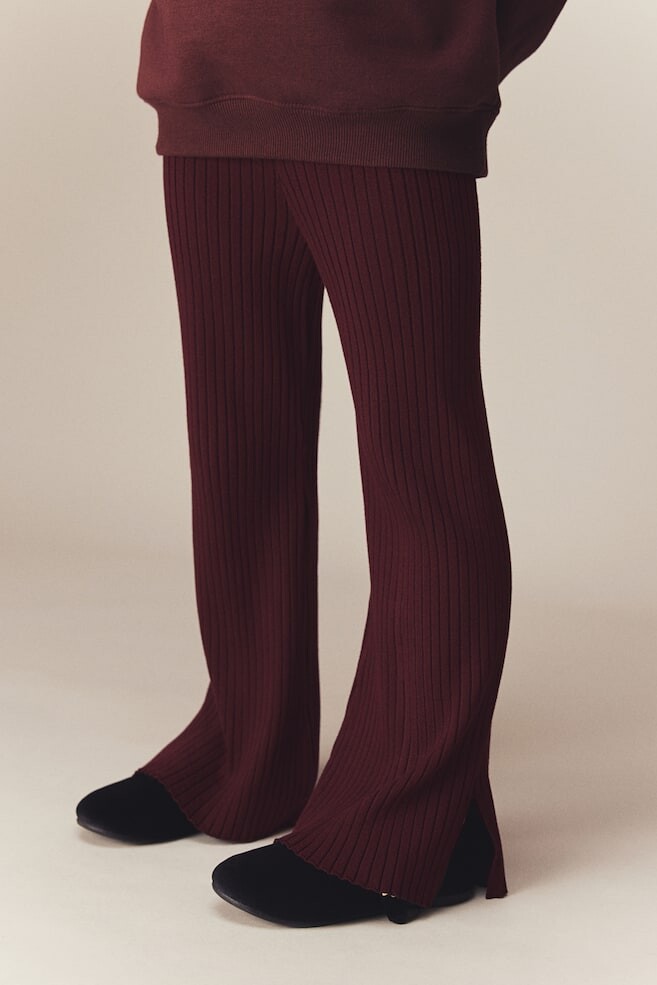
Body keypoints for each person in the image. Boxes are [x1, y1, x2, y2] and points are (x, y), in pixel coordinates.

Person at [76, 1, 569, 927]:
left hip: (386, 89)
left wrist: (449, 43)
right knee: (237, 450)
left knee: (422, 464)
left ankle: (414, 820)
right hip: (207, 80)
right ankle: (245, 751)